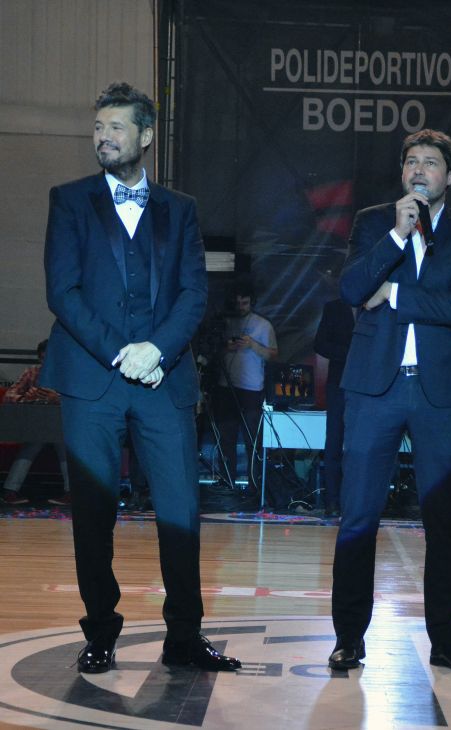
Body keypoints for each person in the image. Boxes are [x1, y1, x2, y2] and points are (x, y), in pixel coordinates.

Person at [39, 82, 240, 674]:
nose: (103, 137)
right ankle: (100, 632)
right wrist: (120, 354)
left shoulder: (181, 209)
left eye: (117, 127)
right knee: (93, 515)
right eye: (98, 127)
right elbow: (63, 291)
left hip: (164, 381)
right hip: (92, 382)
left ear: (146, 136)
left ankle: (184, 636)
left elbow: (194, 293)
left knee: (180, 510)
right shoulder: (69, 200)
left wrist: (156, 350)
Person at [328, 129, 451, 675]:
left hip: (439, 394)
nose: (420, 170)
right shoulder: (375, 223)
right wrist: (397, 237)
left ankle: (446, 640)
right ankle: (348, 637)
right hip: (374, 387)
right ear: (402, 173)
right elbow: (352, 290)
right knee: (359, 516)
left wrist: (394, 293)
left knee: (444, 521)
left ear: (450, 175)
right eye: (412, 161)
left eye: (432, 162)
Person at [214, 280, 277, 493]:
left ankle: (254, 485)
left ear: (252, 302)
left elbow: (273, 354)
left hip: (252, 389)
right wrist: (227, 347)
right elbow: (213, 350)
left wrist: (252, 345)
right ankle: (227, 483)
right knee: (227, 438)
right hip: (226, 387)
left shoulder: (263, 325)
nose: (241, 307)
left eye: (245, 303)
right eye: (238, 303)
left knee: (253, 439)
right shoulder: (225, 322)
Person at [2, 339, 71, 506]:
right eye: (43, 358)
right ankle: (9, 491)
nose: (46, 362)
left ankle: (72, 493)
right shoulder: (32, 372)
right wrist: (26, 398)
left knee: (64, 446)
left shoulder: (69, 373)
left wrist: (58, 399)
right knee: (31, 445)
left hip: (62, 425)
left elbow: (80, 401)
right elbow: (8, 396)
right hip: (37, 424)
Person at [313, 297, 355, 515]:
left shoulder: (379, 304)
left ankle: (358, 500)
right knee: (334, 441)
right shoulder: (334, 307)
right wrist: (350, 353)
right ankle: (332, 501)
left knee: (363, 444)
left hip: (369, 384)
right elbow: (320, 343)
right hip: (339, 382)